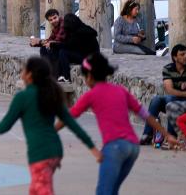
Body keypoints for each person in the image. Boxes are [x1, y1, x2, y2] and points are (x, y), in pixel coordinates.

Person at [59, 53, 176, 195]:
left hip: (114, 147)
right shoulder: (120, 90)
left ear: (89, 76)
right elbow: (145, 114)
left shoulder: (91, 94)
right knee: (112, 190)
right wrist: (166, 134)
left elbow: (69, 117)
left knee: (104, 191)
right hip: (132, 148)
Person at [0, 57, 100, 195]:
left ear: (29, 74)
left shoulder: (23, 97)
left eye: (24, 69)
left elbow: (6, 124)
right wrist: (92, 147)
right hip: (55, 151)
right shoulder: (51, 93)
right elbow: (71, 123)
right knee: (35, 189)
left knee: (42, 190)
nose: (22, 72)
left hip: (40, 154)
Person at [139, 44, 186, 145]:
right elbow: (170, 90)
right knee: (156, 100)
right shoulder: (168, 69)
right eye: (182, 54)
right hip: (177, 98)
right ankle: (147, 134)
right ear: (175, 57)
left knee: (170, 99)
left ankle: (171, 135)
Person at [55, 14, 99, 82]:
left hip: (89, 58)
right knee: (60, 52)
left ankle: (66, 76)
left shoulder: (80, 32)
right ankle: (59, 75)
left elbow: (69, 45)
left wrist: (53, 45)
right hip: (85, 54)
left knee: (62, 52)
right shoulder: (81, 27)